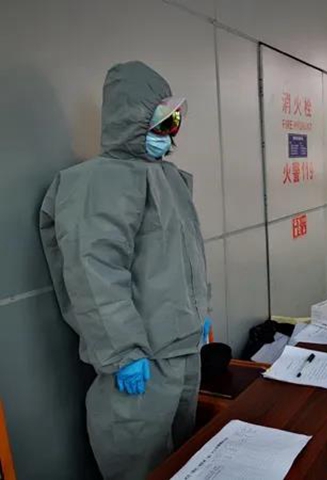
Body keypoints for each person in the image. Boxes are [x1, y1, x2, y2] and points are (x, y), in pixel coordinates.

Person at [39, 61, 211, 480]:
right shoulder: (96, 182)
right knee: (137, 462)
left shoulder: (168, 178)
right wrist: (122, 352)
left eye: (174, 121)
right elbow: (94, 272)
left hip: (182, 349)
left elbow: (186, 255)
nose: (170, 132)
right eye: (162, 121)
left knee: (182, 457)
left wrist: (200, 312)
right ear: (131, 118)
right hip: (140, 360)